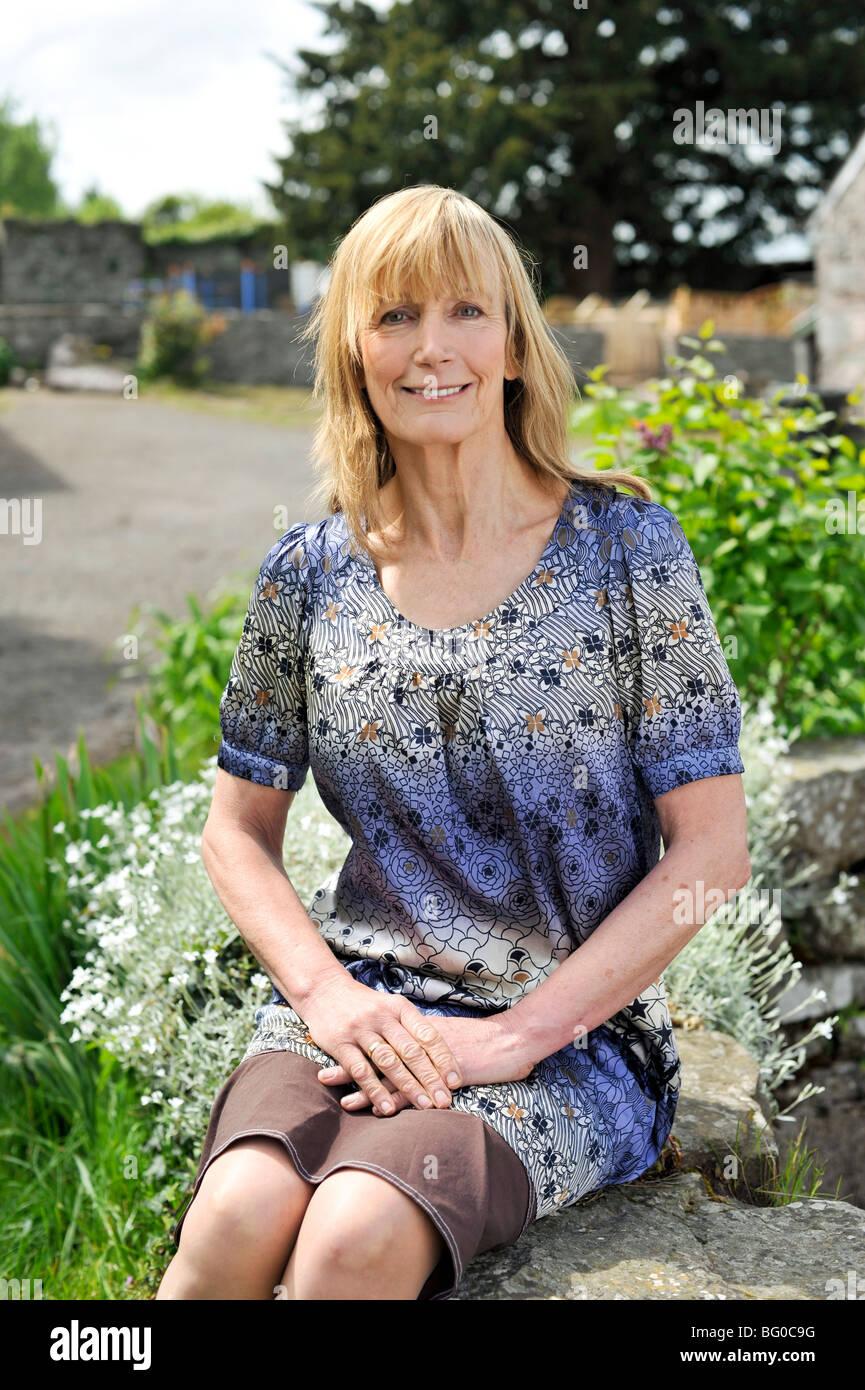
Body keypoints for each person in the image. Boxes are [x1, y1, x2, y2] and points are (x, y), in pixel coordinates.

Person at [156, 184, 750, 1302]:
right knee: (234, 1218)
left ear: (517, 346)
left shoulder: (628, 548)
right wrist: (329, 998)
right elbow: (236, 834)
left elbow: (713, 852)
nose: (432, 348)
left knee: (350, 1240)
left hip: (571, 1041)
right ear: (353, 353)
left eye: (465, 312)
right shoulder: (308, 573)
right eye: (392, 317)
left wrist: (518, 1035)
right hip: (361, 1004)